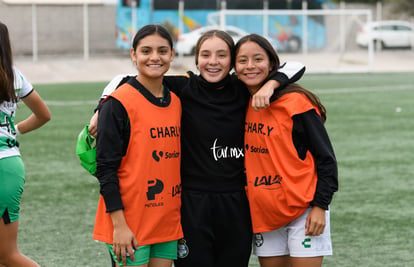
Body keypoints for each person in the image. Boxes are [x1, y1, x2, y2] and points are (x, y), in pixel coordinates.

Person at [90, 29, 305, 267]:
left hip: (236, 204)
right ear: (196, 59)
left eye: (222, 55)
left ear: (232, 61)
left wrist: (270, 85)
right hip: (191, 204)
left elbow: (295, 66)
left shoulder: (242, 87)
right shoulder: (183, 87)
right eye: (205, 54)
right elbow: (125, 79)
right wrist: (101, 106)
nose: (213, 62)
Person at [234, 33, 338, 267]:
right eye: (242, 60)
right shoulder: (238, 97)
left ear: (272, 64)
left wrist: (321, 206)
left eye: (258, 59)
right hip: (264, 212)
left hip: (304, 209)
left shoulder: (295, 103)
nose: (250, 66)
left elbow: (326, 159)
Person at [92, 25, 183, 267]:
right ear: (133, 55)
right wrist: (119, 225)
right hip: (129, 221)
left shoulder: (175, 100)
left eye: (162, 51)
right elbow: (105, 169)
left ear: (172, 54)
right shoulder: (118, 103)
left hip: (166, 219)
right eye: (146, 51)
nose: (155, 57)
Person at [0, 21, 51, 267]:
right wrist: (13, 132)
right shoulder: (14, 74)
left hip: (3, 169)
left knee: (7, 256)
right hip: (10, 164)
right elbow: (44, 115)